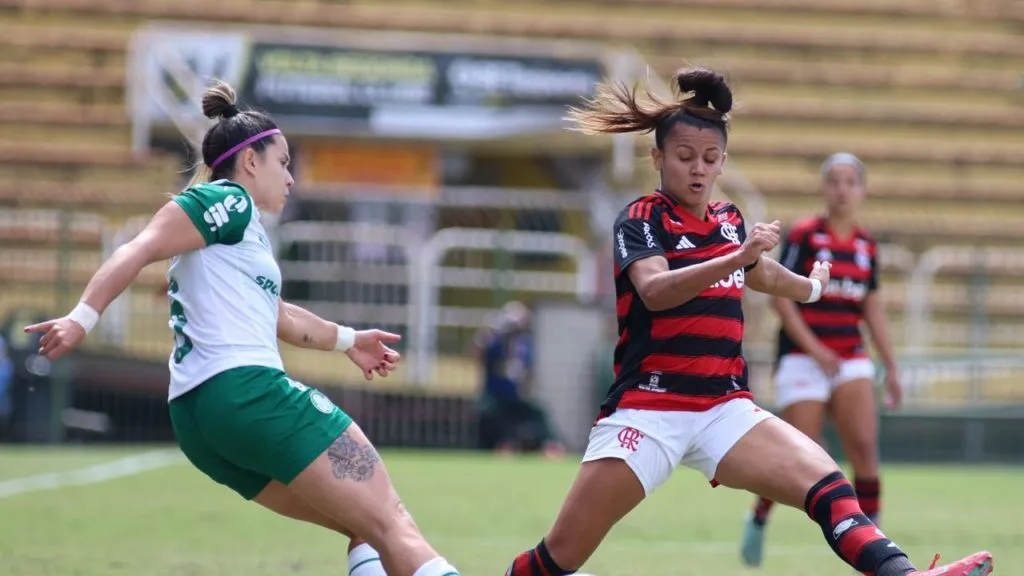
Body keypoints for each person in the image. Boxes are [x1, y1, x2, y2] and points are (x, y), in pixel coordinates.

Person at [502, 68, 993, 576]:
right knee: (558, 557)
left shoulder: (728, 219)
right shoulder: (642, 218)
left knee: (829, 486)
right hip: (649, 410)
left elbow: (761, 272)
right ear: (658, 158)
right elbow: (655, 290)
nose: (697, 169)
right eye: (684, 157)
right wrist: (735, 259)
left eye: (709, 159)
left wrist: (812, 286)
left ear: (723, 162)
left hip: (723, 408)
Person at [24, 80, 460, 576]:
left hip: (200, 423)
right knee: (392, 521)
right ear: (251, 162)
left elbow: (281, 318)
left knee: (363, 527)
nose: (291, 178)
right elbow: (138, 247)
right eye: (284, 162)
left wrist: (348, 341)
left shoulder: (236, 236)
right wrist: (83, 317)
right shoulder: (230, 201)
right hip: (248, 395)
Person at [740, 152, 903, 567]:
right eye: (835, 181)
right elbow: (781, 299)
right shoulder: (806, 237)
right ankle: (759, 518)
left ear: (862, 190)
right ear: (823, 187)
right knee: (802, 452)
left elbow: (872, 308)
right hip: (803, 357)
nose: (842, 189)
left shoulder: (866, 246)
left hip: (850, 357)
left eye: (851, 182)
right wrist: (815, 349)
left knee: (864, 447)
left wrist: (892, 365)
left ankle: (876, 545)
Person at [474, 301, 565, 458]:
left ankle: (550, 444)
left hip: (516, 399)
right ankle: (503, 444)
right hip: (496, 400)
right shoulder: (494, 345)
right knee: (493, 416)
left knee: (537, 413)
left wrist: (527, 388)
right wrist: (490, 331)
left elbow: (528, 373)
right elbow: (476, 354)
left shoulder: (523, 347)